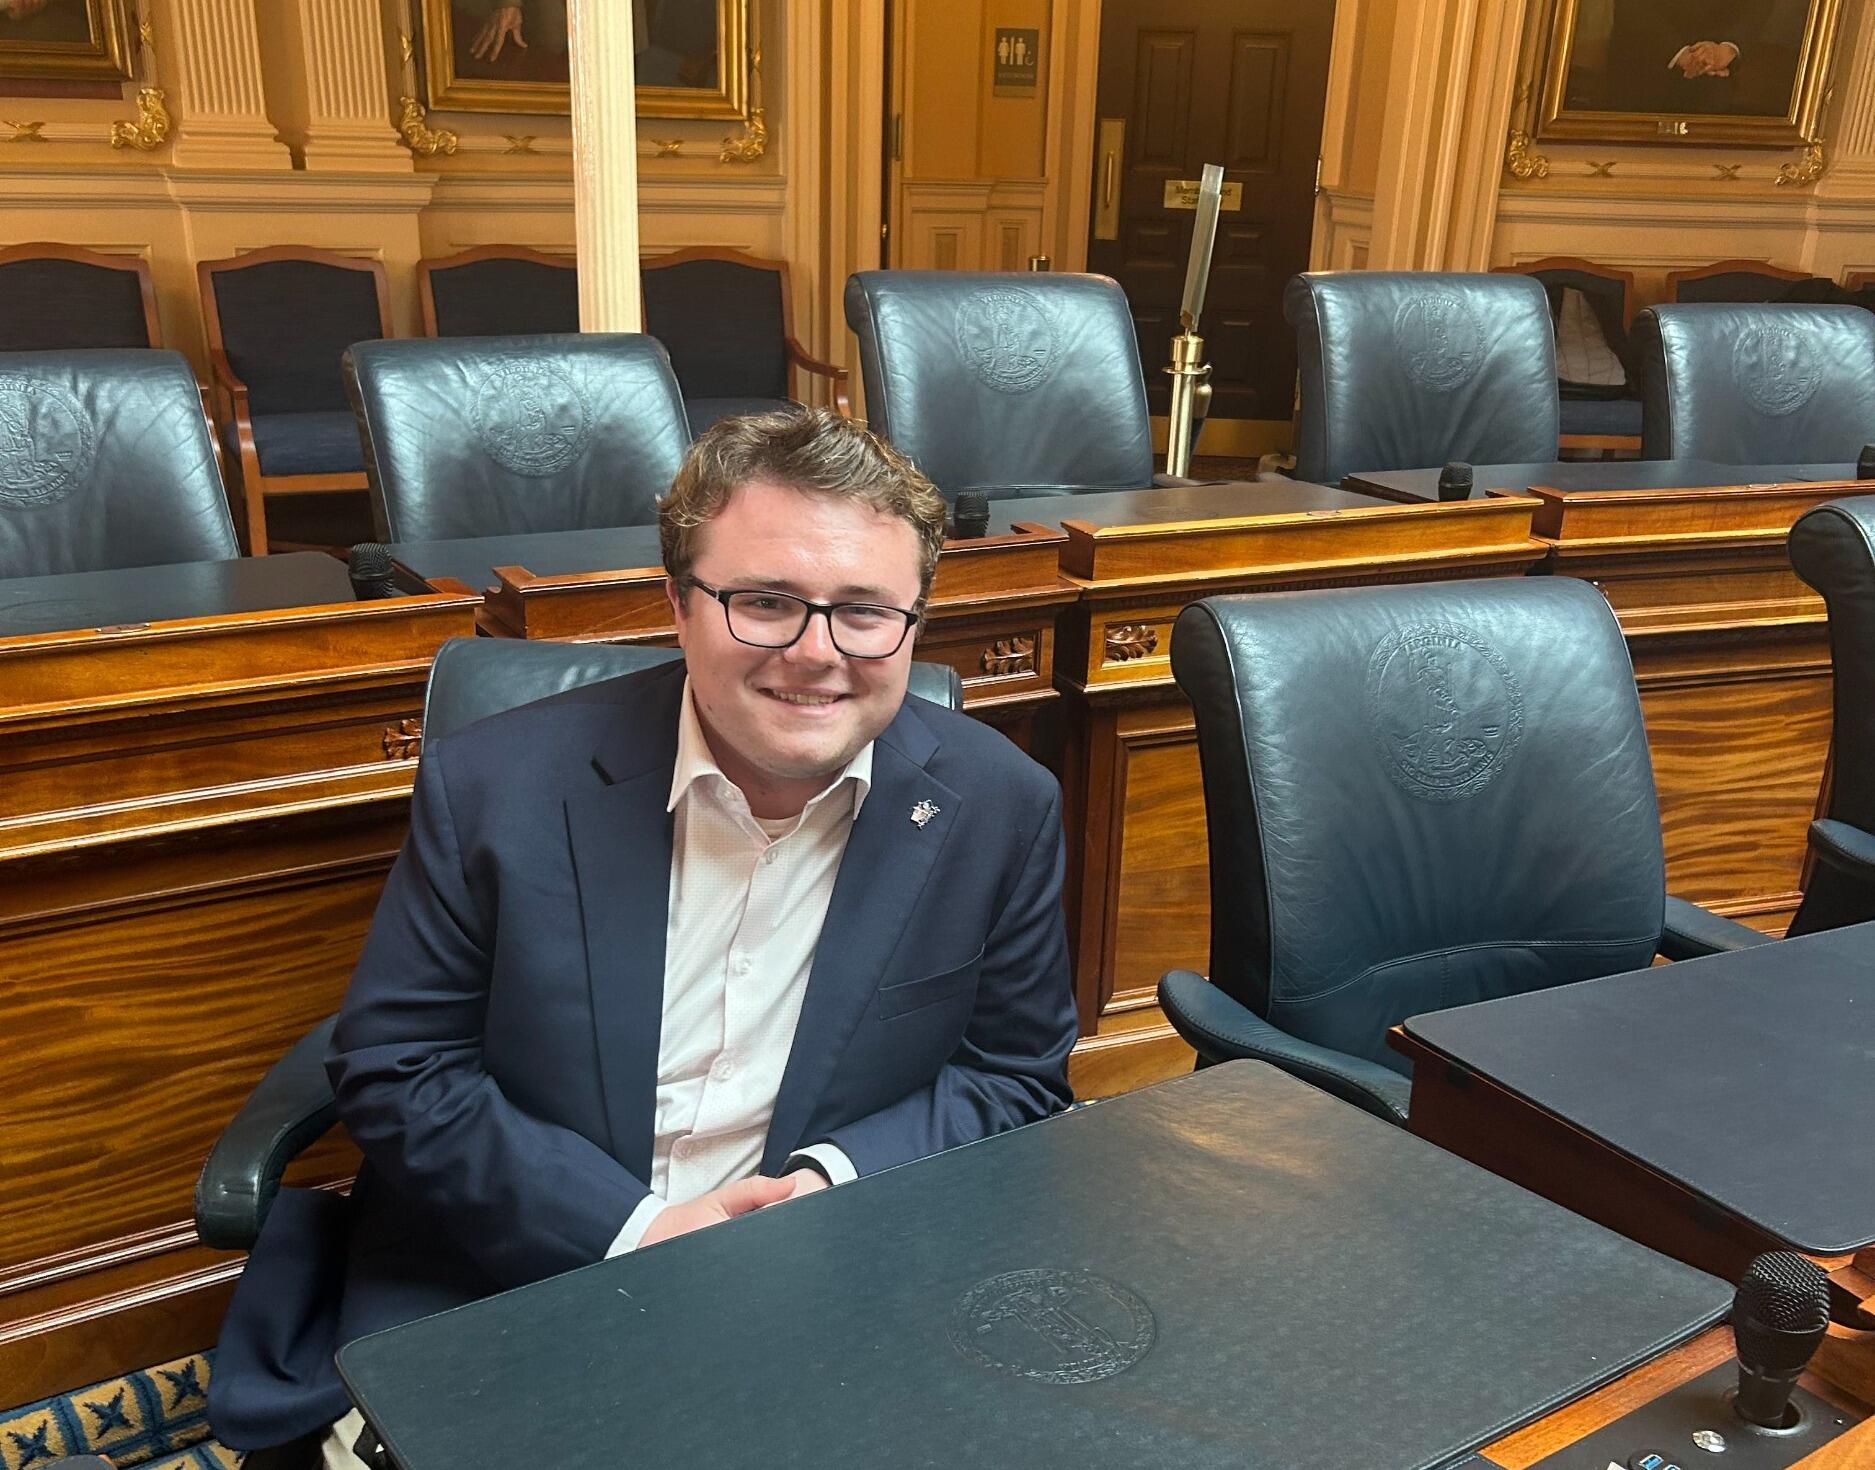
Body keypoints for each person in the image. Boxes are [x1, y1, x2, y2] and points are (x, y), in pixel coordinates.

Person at [208, 409, 1078, 1468]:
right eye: (764, 603)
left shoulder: (1001, 805)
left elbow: (1011, 1075)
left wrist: (823, 1192)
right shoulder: (498, 787)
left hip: (824, 1267)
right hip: (513, 1262)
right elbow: (398, 1067)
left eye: (864, 612)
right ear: (677, 602)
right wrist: (630, 1231)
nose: (818, 654)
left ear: (914, 621)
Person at [1586, 0, 1806, 116]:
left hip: (1721, 86)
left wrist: (1726, 49)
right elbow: (1633, 8)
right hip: (1641, 81)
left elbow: (1756, 7)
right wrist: (1682, 54)